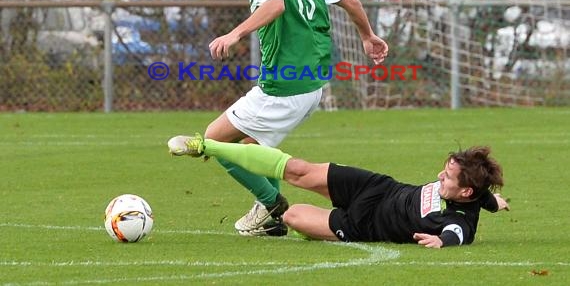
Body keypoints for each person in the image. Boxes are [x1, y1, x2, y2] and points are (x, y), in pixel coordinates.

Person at [186, 0, 389, 236]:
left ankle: (271, 204)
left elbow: (275, 5)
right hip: (312, 87)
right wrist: (367, 36)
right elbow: (351, 1)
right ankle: (269, 217)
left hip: (283, 88)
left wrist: (235, 34)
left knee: (214, 140)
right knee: (253, 147)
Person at [167, 134, 510, 247]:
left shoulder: (460, 219)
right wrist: (495, 200)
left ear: (464, 194)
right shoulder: (473, 193)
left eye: (447, 178)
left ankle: (278, 217)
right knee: (298, 170)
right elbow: (486, 200)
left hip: (363, 226)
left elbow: (457, 232)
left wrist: (441, 242)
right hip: (377, 186)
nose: (439, 176)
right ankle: (205, 145)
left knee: (292, 215)